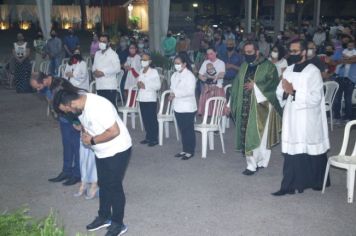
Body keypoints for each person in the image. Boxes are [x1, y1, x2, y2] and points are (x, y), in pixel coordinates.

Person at [52, 80, 132, 236]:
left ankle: (118, 223)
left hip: (118, 149)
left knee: (114, 186)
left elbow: (114, 131)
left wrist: (92, 140)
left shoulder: (98, 107)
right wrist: (82, 129)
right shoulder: (79, 106)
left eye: (66, 110)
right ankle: (103, 216)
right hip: (101, 151)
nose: (67, 113)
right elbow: (87, 123)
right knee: (103, 183)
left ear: (71, 103)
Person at [273, 39, 330, 196]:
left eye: (296, 51)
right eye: (291, 51)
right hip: (292, 115)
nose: (293, 54)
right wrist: (285, 92)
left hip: (308, 116)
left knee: (310, 148)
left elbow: (316, 97)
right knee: (292, 150)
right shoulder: (288, 70)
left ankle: (316, 181)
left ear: (304, 52)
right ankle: (288, 186)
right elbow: (280, 91)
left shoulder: (313, 71)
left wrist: (294, 92)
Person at [230, 41, 282, 176]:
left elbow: (273, 84)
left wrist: (256, 86)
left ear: (257, 52)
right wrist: (229, 104)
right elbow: (236, 84)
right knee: (250, 135)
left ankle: (261, 161)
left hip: (262, 107)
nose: (247, 55)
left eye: (250, 52)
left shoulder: (268, 66)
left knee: (261, 137)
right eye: (245, 53)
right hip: (245, 106)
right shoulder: (244, 65)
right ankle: (252, 165)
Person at [30, 73, 81, 186]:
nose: (38, 90)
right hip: (63, 119)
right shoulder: (47, 85)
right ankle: (66, 171)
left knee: (76, 147)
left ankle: (78, 174)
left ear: (44, 80)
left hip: (72, 119)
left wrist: (76, 122)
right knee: (67, 146)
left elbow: (72, 107)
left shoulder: (60, 86)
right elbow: (51, 101)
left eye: (38, 87)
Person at [63, 55, 98, 198]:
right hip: (83, 132)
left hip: (93, 133)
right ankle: (83, 182)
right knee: (82, 157)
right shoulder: (72, 100)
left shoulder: (85, 98)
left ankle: (94, 183)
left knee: (92, 158)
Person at [169, 54, 197, 160]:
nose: (176, 65)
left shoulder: (189, 75)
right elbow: (172, 87)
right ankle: (184, 149)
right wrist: (172, 93)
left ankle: (190, 151)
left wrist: (175, 93)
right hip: (178, 106)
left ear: (184, 64)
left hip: (188, 107)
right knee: (182, 129)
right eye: (175, 63)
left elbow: (189, 91)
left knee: (188, 129)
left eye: (178, 63)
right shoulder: (174, 75)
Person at [137, 53, 161, 147]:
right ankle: (148, 137)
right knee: (145, 119)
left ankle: (154, 138)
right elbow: (139, 82)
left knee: (152, 119)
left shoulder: (153, 71)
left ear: (150, 61)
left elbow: (157, 86)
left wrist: (145, 86)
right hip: (142, 98)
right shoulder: (141, 70)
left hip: (150, 98)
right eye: (142, 60)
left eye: (145, 60)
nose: (143, 62)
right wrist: (139, 84)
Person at [92, 33, 121, 107]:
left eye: (104, 42)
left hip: (109, 86)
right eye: (100, 41)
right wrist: (95, 72)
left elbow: (117, 68)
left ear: (108, 43)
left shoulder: (113, 54)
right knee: (102, 108)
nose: (101, 43)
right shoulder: (97, 54)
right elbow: (94, 66)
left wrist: (103, 72)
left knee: (111, 107)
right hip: (99, 85)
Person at [333, 40, 356, 124]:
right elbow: (334, 62)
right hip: (339, 77)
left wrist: (345, 59)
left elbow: (352, 60)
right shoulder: (342, 51)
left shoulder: (355, 51)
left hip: (350, 79)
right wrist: (345, 59)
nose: (350, 46)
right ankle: (337, 117)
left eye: (352, 44)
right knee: (337, 98)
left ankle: (347, 118)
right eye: (349, 44)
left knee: (347, 99)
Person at [198, 48, 226, 116]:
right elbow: (200, 75)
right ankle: (204, 118)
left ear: (216, 53)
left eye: (211, 54)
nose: (209, 56)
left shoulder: (221, 63)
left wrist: (209, 77)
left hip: (218, 86)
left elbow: (221, 75)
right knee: (204, 94)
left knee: (216, 94)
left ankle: (218, 117)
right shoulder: (205, 62)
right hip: (207, 85)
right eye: (208, 54)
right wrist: (203, 78)